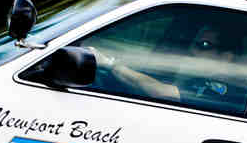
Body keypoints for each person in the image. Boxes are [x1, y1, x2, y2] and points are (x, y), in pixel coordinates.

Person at [87, 25, 237, 107]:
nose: (192, 50)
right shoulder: (198, 81)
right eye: (193, 43)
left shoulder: (223, 90)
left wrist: (110, 64)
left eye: (204, 45)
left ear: (226, 57)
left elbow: (161, 92)